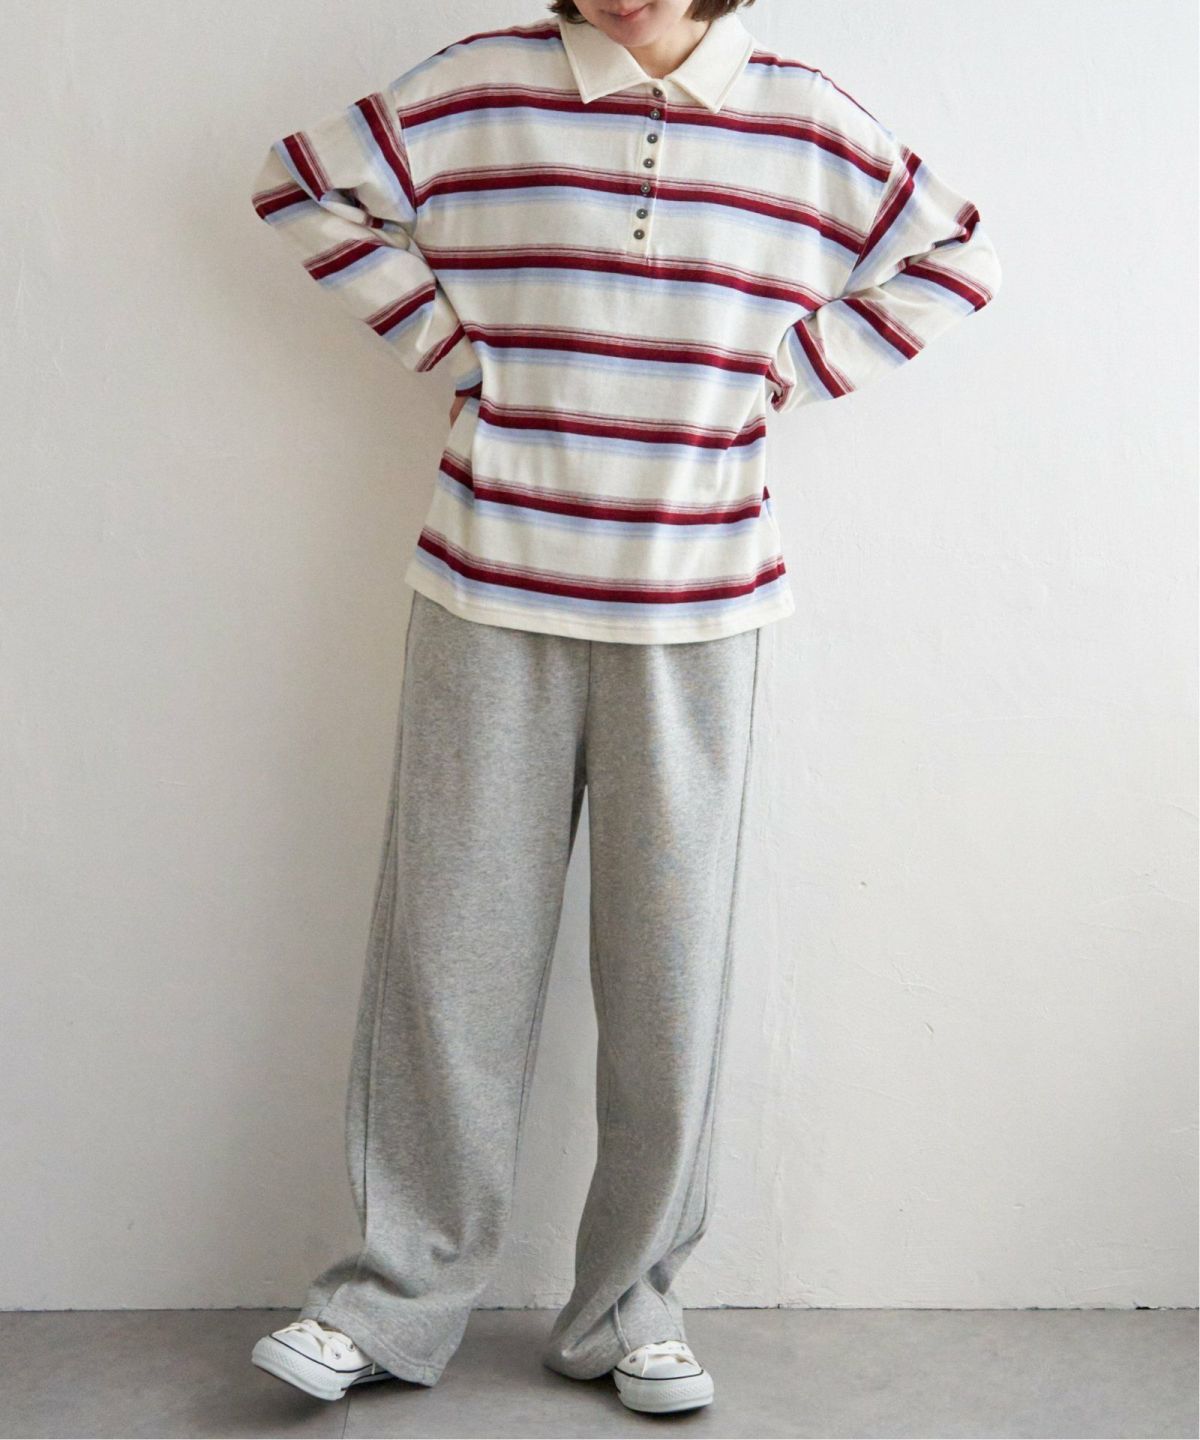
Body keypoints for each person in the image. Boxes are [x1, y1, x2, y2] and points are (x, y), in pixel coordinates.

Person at [246, 0, 1001, 1415]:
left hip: (697, 608)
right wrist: (458, 349)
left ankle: (630, 1307)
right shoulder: (481, 86)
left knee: (668, 973)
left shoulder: (805, 117)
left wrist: (784, 371)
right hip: (487, 583)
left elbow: (959, 254)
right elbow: (301, 186)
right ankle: (393, 1300)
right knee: (449, 960)